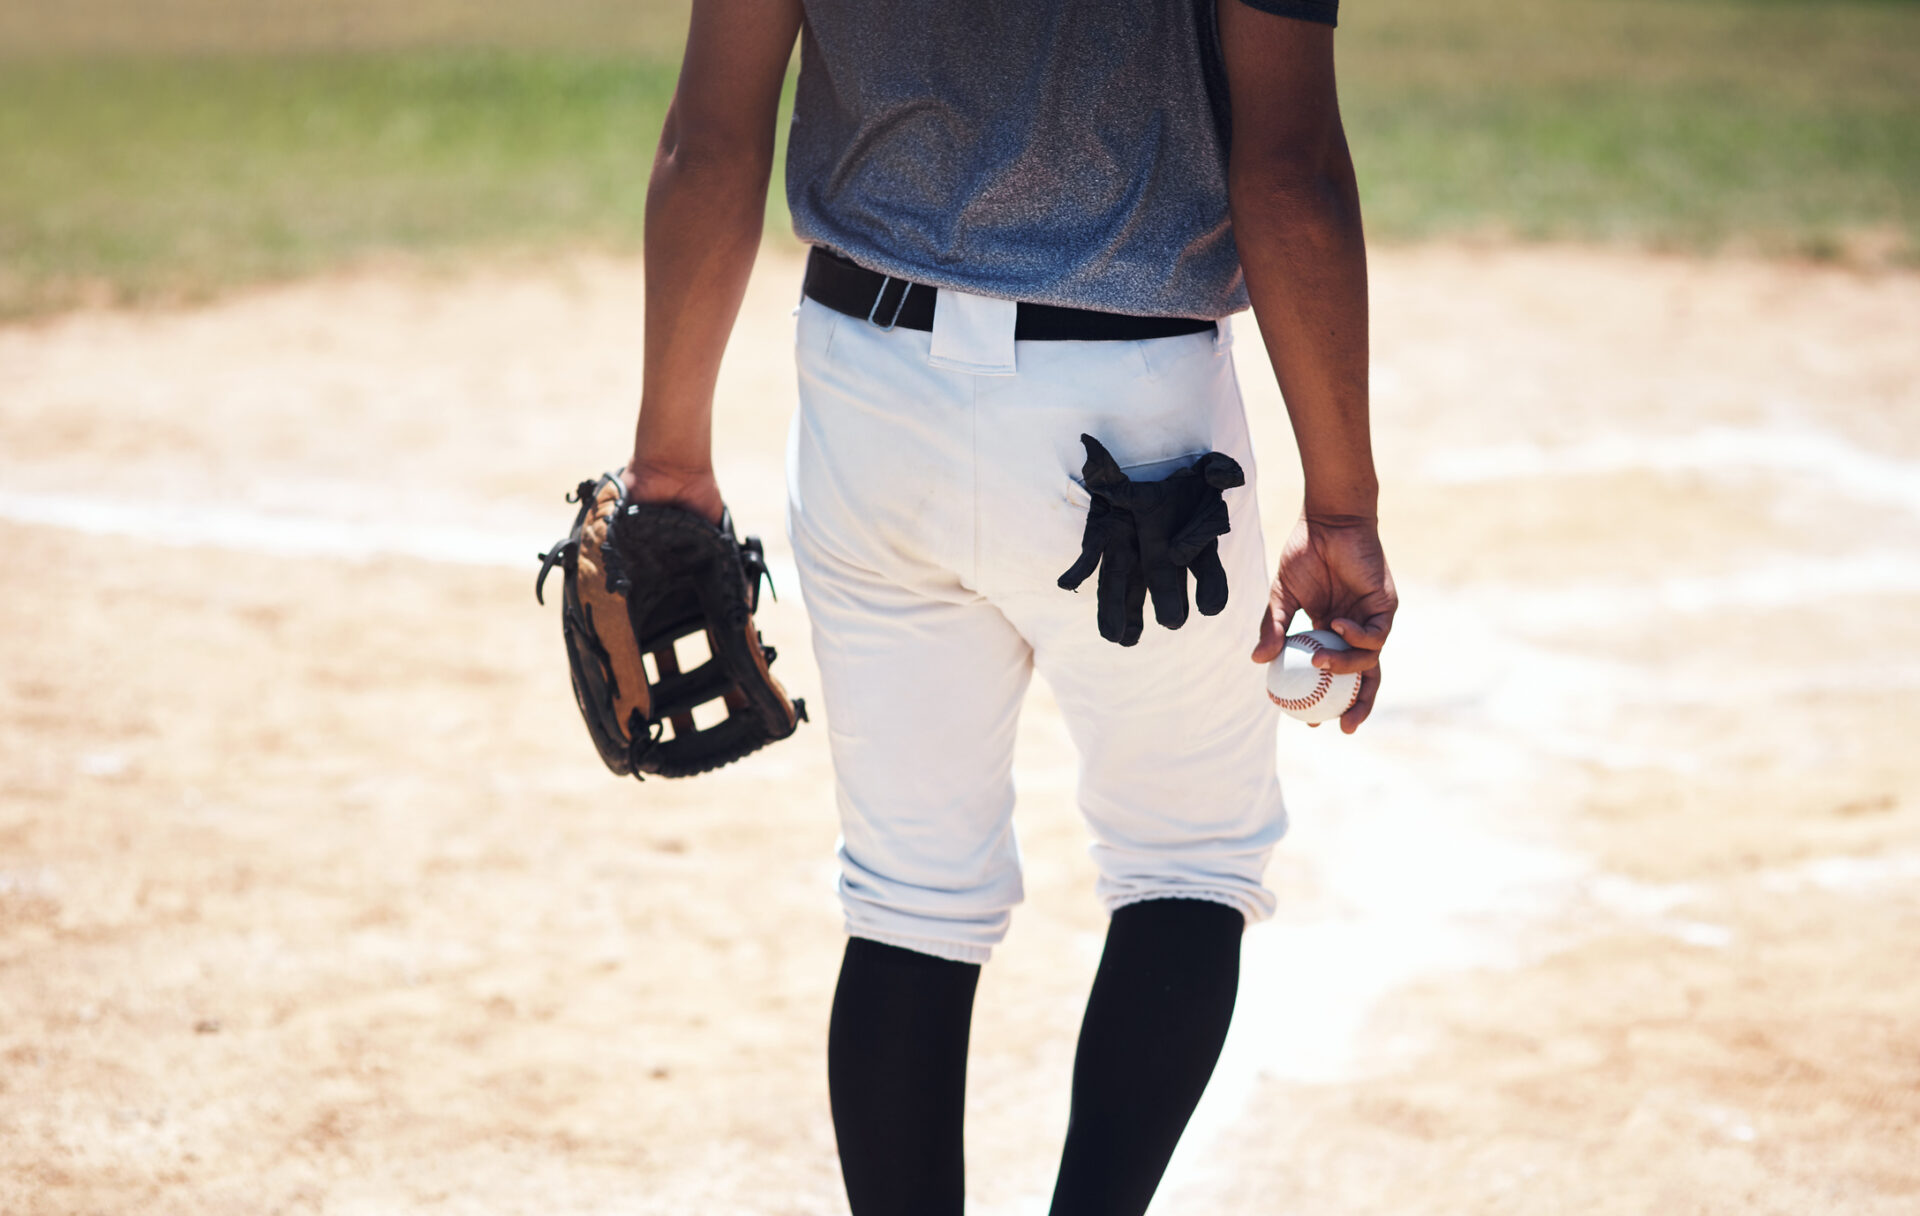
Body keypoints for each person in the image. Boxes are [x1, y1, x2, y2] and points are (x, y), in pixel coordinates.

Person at [620, 0, 1396, 1210]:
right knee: (1188, 858)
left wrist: (668, 462)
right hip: (1134, 423)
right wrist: (1340, 509)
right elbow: (1289, 171)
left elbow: (709, 140)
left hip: (865, 389)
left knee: (911, 896)